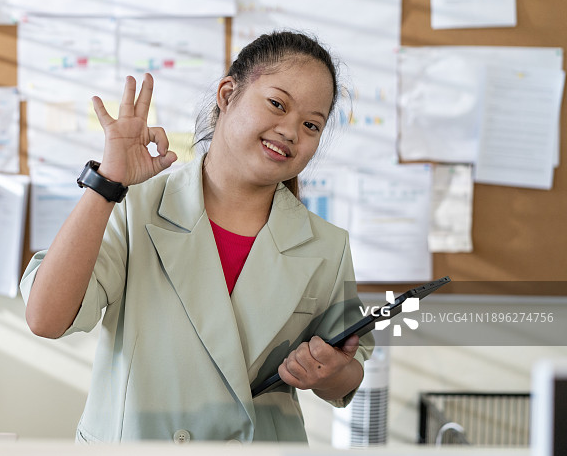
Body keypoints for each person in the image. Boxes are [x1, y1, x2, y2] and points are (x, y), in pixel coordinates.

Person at [20, 30, 374, 443]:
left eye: (311, 125)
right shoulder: (134, 207)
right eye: (277, 104)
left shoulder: (326, 246)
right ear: (227, 94)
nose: (292, 131)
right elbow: (46, 320)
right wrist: (108, 183)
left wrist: (328, 372)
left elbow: (347, 376)